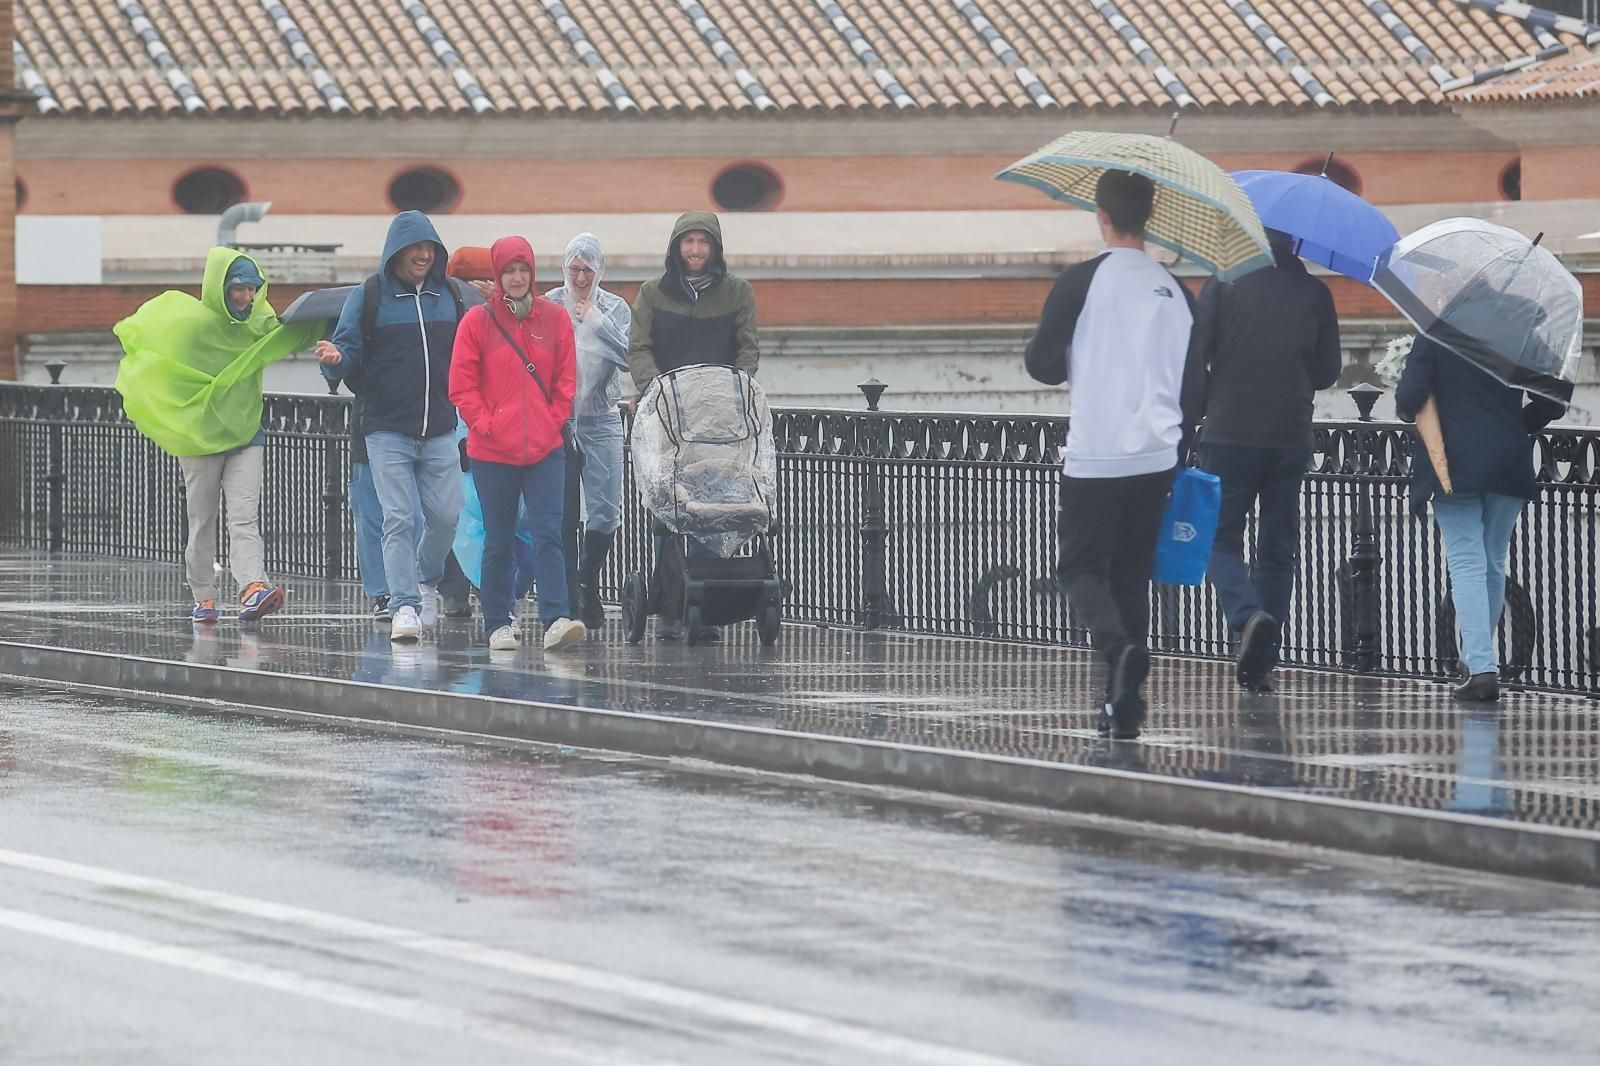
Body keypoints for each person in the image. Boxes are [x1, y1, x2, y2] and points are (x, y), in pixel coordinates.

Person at [1023, 171, 1203, 740]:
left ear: (1101, 216)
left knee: (1078, 568)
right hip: (1158, 454)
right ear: (1146, 218)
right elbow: (1195, 381)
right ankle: (1121, 698)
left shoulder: (1081, 282)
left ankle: (1120, 649)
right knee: (1130, 573)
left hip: (1097, 452)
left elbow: (1043, 365)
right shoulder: (1175, 290)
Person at [114, 248, 321, 624]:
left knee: (245, 516)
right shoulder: (192, 326)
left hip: (246, 432)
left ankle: (253, 588)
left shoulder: (259, 323)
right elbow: (156, 355)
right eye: (237, 289)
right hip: (200, 438)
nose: (246, 298)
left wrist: (340, 317)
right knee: (202, 519)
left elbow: (291, 334)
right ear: (218, 289)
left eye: (253, 289)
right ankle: (204, 596)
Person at [1191, 228, 1342, 691]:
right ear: (1296, 244)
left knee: (1218, 538)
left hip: (1230, 432)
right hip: (1288, 436)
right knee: (1277, 550)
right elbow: (1328, 371)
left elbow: (1195, 356)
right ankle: (1262, 665)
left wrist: (1196, 416)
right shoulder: (1316, 292)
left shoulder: (1223, 282)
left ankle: (1246, 615)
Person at [316, 210, 466, 644]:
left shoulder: (449, 295)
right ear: (396, 252)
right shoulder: (370, 296)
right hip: (386, 429)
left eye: (429, 248)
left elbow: (467, 353)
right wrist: (335, 361)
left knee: (447, 516)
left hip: (439, 426)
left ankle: (424, 578)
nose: (422, 255)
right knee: (397, 518)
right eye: (414, 248)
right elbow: (346, 349)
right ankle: (404, 605)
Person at [1394, 334, 1566, 702]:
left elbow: (1409, 400)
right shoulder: (1516, 333)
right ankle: (1476, 660)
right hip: (1508, 460)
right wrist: (1518, 424)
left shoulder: (1437, 333)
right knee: (1492, 561)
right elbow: (1555, 398)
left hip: (1452, 461)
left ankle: (1483, 668)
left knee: (1466, 562)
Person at [447, 235, 586, 653]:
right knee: (499, 537)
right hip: (492, 451)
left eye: (523, 269)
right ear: (498, 275)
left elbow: (566, 379)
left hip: (544, 448)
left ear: (533, 273)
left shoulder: (555, 319)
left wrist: (552, 420)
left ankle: (556, 618)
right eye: (509, 270)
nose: (517, 277)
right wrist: (486, 425)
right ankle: (498, 621)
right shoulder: (477, 322)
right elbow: (462, 385)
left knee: (550, 533)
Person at [629, 211, 760, 640]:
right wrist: (655, 390)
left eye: (704, 243)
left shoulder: (737, 292)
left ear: (715, 248)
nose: (696, 251)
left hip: (719, 421)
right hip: (669, 418)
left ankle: (706, 600)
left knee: (713, 505)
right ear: (676, 247)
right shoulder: (652, 294)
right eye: (689, 242)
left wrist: (737, 393)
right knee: (670, 508)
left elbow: (747, 349)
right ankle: (672, 601)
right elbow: (640, 347)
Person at [545, 232, 632, 630]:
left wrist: (597, 323)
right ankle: (567, 596)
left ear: (600, 271)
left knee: (606, 511)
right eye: (574, 269)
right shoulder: (549, 305)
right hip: (558, 421)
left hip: (601, 417)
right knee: (562, 513)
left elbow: (630, 358)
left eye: (588, 270)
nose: (581, 278)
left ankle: (588, 578)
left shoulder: (614, 307)